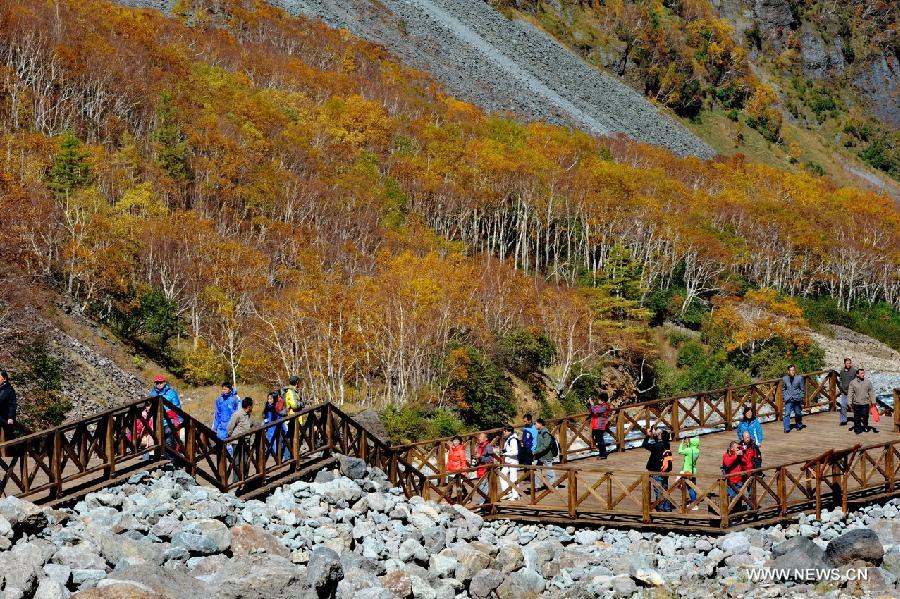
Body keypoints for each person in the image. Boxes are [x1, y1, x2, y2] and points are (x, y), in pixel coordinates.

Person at [642, 426, 672, 512]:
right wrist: (655, 434)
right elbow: (658, 441)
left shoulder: (656, 446)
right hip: (665, 470)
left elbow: (644, 445)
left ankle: (661, 509)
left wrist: (648, 435)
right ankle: (667, 507)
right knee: (665, 489)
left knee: (659, 490)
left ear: (660, 436)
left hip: (656, 470)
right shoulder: (667, 444)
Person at [149, 375, 182, 450]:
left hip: (169, 421)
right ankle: (159, 458)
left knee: (168, 439)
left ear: (164, 383)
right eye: (157, 383)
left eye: (160, 382)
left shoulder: (172, 393)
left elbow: (177, 408)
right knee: (156, 440)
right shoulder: (152, 394)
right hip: (156, 421)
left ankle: (171, 459)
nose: (159, 384)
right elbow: (149, 407)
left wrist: (180, 421)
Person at [227, 397, 254, 482]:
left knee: (246, 461)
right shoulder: (238, 414)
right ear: (249, 407)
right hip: (237, 442)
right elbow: (229, 428)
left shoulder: (249, 415)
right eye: (252, 406)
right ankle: (236, 481)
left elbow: (252, 425)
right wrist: (233, 437)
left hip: (246, 442)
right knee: (237, 462)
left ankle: (244, 479)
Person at [848, 367, 877, 434]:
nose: (863, 374)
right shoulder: (852, 383)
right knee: (857, 417)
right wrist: (849, 402)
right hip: (856, 403)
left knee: (865, 416)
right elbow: (850, 393)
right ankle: (857, 429)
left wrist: (873, 401)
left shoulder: (868, 382)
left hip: (865, 403)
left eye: (863, 373)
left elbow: (871, 392)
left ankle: (865, 426)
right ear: (857, 374)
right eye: (861, 373)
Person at [263, 391, 289, 460]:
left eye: (271, 399)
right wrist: (264, 423)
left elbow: (280, 417)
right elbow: (265, 416)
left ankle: (278, 457)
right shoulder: (267, 407)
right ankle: (275, 457)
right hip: (270, 427)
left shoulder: (276, 407)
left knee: (278, 441)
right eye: (268, 399)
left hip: (277, 427)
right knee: (271, 441)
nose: (269, 401)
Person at [533, 419, 558, 489]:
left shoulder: (545, 433)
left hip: (546, 455)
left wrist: (536, 451)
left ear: (540, 424)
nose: (535, 425)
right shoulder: (540, 432)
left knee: (549, 472)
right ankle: (536, 486)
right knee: (537, 470)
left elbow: (546, 445)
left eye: (536, 423)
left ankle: (553, 486)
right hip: (540, 455)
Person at [677, 435, 700, 509]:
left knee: (690, 489)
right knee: (693, 487)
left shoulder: (688, 450)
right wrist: (688, 445)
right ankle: (695, 502)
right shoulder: (697, 450)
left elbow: (680, 451)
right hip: (693, 470)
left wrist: (682, 443)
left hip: (687, 471)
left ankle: (694, 504)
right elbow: (690, 452)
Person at [781, 365, 805, 433]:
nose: (792, 372)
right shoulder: (785, 378)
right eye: (791, 370)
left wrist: (801, 397)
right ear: (788, 371)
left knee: (798, 413)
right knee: (787, 414)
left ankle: (799, 424)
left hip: (797, 399)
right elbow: (784, 388)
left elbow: (802, 389)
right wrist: (785, 396)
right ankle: (786, 428)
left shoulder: (799, 378)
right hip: (788, 399)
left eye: (793, 370)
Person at [473, 432, 496, 503]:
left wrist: (480, 457)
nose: (479, 438)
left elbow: (490, 458)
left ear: (486, 438)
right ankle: (484, 502)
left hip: (485, 468)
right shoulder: (480, 446)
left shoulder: (487, 446)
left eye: (481, 437)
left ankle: (482, 502)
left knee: (483, 485)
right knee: (482, 485)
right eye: (479, 437)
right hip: (480, 468)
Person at [499, 426, 521, 500]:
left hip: (513, 461)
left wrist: (505, 453)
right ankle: (508, 492)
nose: (504, 433)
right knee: (502, 475)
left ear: (509, 432)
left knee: (513, 478)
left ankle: (515, 496)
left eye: (505, 431)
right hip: (508, 462)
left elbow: (515, 452)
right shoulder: (508, 439)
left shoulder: (513, 440)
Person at [445, 435, 468, 501]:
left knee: (459, 485)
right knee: (449, 484)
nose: (455, 442)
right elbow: (449, 459)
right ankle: (448, 499)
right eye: (454, 441)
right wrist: (447, 467)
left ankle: (465, 496)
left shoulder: (461, 449)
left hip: (458, 469)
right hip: (451, 468)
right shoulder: (451, 448)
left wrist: (464, 470)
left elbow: (463, 460)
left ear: (460, 442)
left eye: (457, 441)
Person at [588, 394, 610, 459]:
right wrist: (589, 404)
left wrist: (592, 405)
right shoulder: (600, 406)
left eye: (599, 399)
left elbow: (596, 411)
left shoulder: (604, 407)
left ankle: (603, 455)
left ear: (602, 400)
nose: (598, 400)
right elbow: (592, 410)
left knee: (600, 440)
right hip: (596, 425)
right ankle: (601, 454)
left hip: (600, 426)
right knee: (598, 440)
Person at [838, 357, 856, 427]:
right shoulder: (842, 371)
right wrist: (841, 388)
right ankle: (843, 420)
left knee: (855, 406)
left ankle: (857, 419)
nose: (848, 364)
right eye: (847, 363)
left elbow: (856, 381)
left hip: (852, 392)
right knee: (843, 406)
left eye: (849, 363)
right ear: (844, 363)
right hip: (844, 392)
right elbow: (841, 380)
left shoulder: (854, 371)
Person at [0, 371, 17, 443]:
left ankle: (18, 452)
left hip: (5, 418)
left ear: (4, 379)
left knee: (8, 438)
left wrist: (10, 417)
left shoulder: (9, 390)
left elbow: (12, 404)